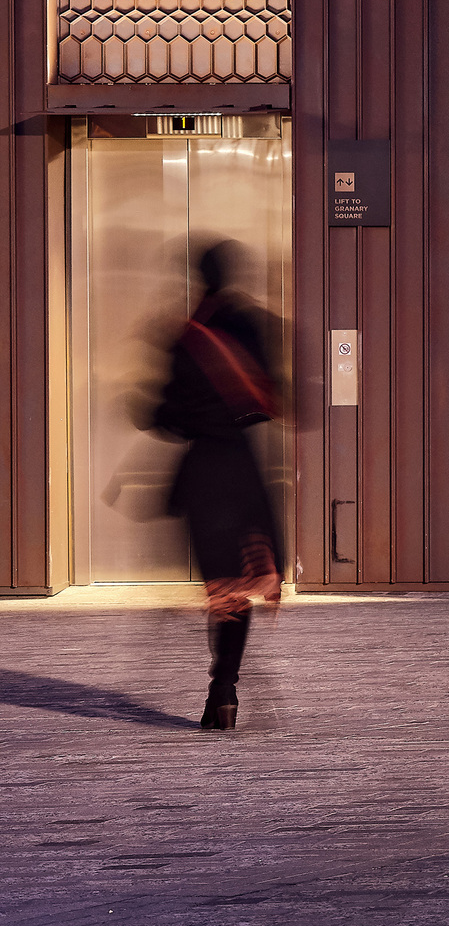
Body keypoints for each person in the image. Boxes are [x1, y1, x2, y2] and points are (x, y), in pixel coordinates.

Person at [150, 242, 285, 729]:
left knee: (222, 588)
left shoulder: (184, 337)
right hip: (244, 470)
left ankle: (221, 693)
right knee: (241, 587)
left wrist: (156, 411)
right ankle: (223, 688)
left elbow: (168, 415)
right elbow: (273, 397)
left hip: (204, 473)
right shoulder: (253, 326)